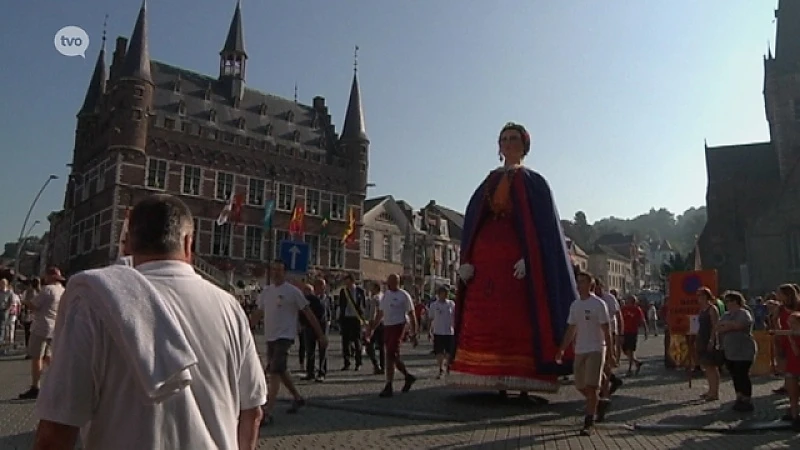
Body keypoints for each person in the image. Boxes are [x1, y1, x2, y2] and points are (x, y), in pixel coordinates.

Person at [32, 194, 267, 450]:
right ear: (189, 243)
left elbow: (56, 429)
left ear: (128, 245)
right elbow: (252, 413)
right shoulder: (231, 307)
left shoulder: (93, 302)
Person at [449, 122, 576, 394]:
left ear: (524, 145)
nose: (508, 143)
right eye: (504, 139)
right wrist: (467, 259)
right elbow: (473, 221)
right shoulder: (489, 181)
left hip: (516, 264)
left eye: (513, 139)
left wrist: (532, 258)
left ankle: (521, 381)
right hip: (484, 265)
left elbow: (544, 231)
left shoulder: (534, 182)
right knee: (485, 317)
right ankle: (489, 376)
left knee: (517, 317)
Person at [251, 260, 328, 425]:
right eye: (274, 270)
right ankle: (298, 397)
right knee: (281, 370)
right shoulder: (266, 292)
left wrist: (320, 334)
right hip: (270, 336)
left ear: (284, 273)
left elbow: (308, 312)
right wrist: (245, 327)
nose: (276, 273)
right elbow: (258, 313)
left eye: (280, 270)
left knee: (274, 370)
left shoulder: (293, 292)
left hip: (285, 336)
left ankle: (268, 411)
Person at [555, 271, 613, 436]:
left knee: (591, 386)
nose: (579, 285)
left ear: (590, 285)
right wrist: (561, 349)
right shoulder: (575, 305)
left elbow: (606, 330)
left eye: (582, 282)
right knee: (580, 385)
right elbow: (571, 329)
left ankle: (589, 422)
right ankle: (599, 403)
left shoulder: (598, 304)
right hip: (580, 349)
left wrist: (610, 352)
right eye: (578, 282)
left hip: (596, 348)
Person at [367, 274, 418, 397]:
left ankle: (389, 385)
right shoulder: (386, 296)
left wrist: (414, 332)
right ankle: (407, 376)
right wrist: (372, 328)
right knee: (392, 355)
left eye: (391, 282)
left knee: (390, 353)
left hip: (399, 326)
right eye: (388, 282)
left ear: (397, 282)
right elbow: (381, 313)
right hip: (387, 327)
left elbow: (412, 314)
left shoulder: (404, 295)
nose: (388, 284)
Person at [19, 266, 65, 400]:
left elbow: (34, 305)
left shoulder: (47, 290)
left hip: (41, 327)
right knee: (49, 357)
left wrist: (25, 301)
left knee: (37, 357)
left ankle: (35, 386)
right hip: (54, 327)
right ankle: (59, 382)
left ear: (50, 276)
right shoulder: (62, 290)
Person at [716, 290, 757, 412]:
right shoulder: (726, 315)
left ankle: (747, 399)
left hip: (744, 350)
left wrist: (728, 325)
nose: (727, 303)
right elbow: (718, 328)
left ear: (736, 301)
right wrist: (729, 325)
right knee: (735, 376)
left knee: (742, 374)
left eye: (729, 301)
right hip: (730, 350)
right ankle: (739, 396)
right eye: (726, 301)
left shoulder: (744, 313)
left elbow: (741, 325)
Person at [337, 274, 367, 371]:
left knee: (357, 341)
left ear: (352, 281)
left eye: (347, 280)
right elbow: (341, 305)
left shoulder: (360, 291)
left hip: (356, 318)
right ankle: (346, 363)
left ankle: (358, 363)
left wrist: (363, 317)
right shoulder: (343, 291)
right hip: (346, 318)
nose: (346, 283)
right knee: (345, 341)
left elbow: (363, 305)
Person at [429, 286, 456, 379]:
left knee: (449, 352)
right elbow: (430, 318)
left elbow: (455, 317)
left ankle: (448, 367)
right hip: (438, 331)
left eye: (446, 293)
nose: (444, 295)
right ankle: (441, 368)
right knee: (439, 352)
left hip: (449, 331)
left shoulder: (451, 304)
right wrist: (429, 331)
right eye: (442, 293)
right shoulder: (433, 305)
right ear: (439, 294)